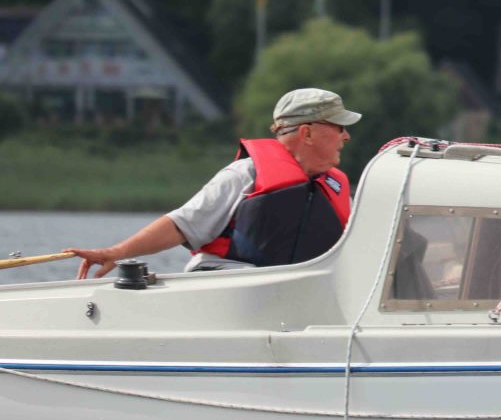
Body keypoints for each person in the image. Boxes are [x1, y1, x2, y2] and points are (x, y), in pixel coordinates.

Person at [69, 88, 362, 278]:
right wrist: (116, 253)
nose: (346, 136)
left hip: (290, 293)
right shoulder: (245, 174)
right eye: (339, 127)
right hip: (227, 286)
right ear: (307, 133)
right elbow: (181, 225)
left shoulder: (335, 188)